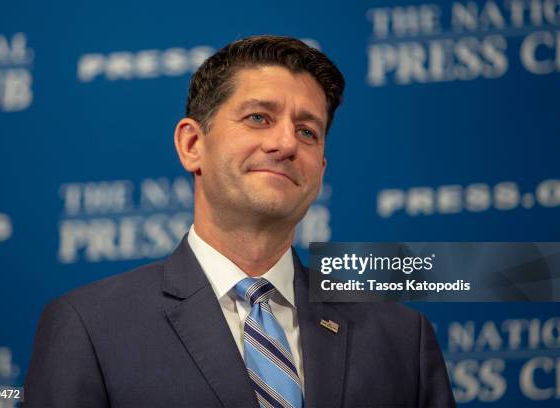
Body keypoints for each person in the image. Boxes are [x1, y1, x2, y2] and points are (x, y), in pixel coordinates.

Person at [24, 35, 456, 408]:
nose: (286, 143)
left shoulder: (401, 337)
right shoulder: (88, 325)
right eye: (258, 118)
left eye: (308, 131)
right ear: (193, 144)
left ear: (320, 170)